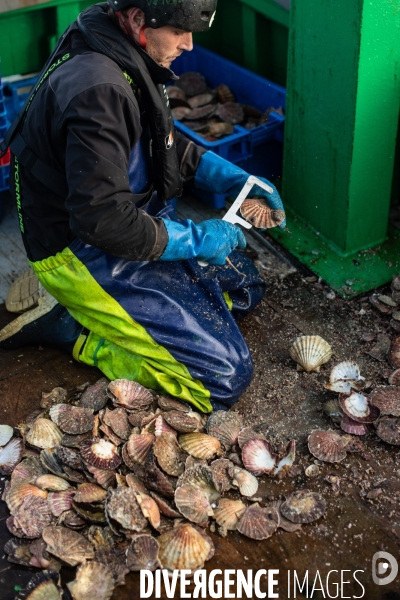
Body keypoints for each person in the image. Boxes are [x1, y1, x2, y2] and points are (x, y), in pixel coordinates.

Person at [0, 0, 285, 412]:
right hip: (82, 249)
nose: (188, 45)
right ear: (138, 19)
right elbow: (103, 222)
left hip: (134, 216)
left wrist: (227, 175)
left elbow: (156, 134)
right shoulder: (99, 89)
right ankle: (78, 330)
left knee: (245, 284)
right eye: (179, 31)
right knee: (223, 379)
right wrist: (196, 240)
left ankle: (136, 319)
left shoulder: (109, 34)